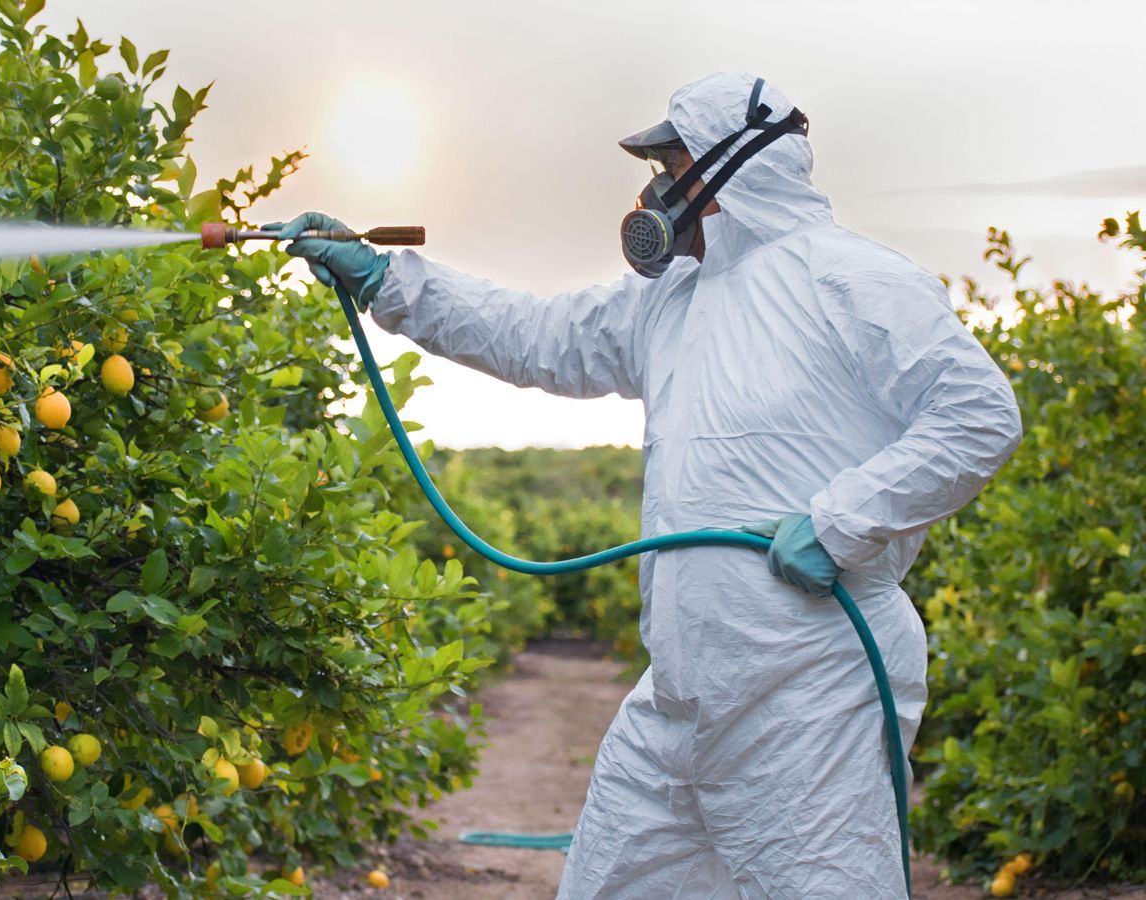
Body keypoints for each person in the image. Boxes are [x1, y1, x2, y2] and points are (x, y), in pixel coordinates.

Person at [272, 72, 1023, 898]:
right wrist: (387, 282)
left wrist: (841, 522)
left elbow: (979, 415)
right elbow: (535, 334)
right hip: (680, 699)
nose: (652, 188)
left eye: (669, 164)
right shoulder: (670, 303)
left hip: (810, 693)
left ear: (724, 172)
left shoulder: (853, 279)